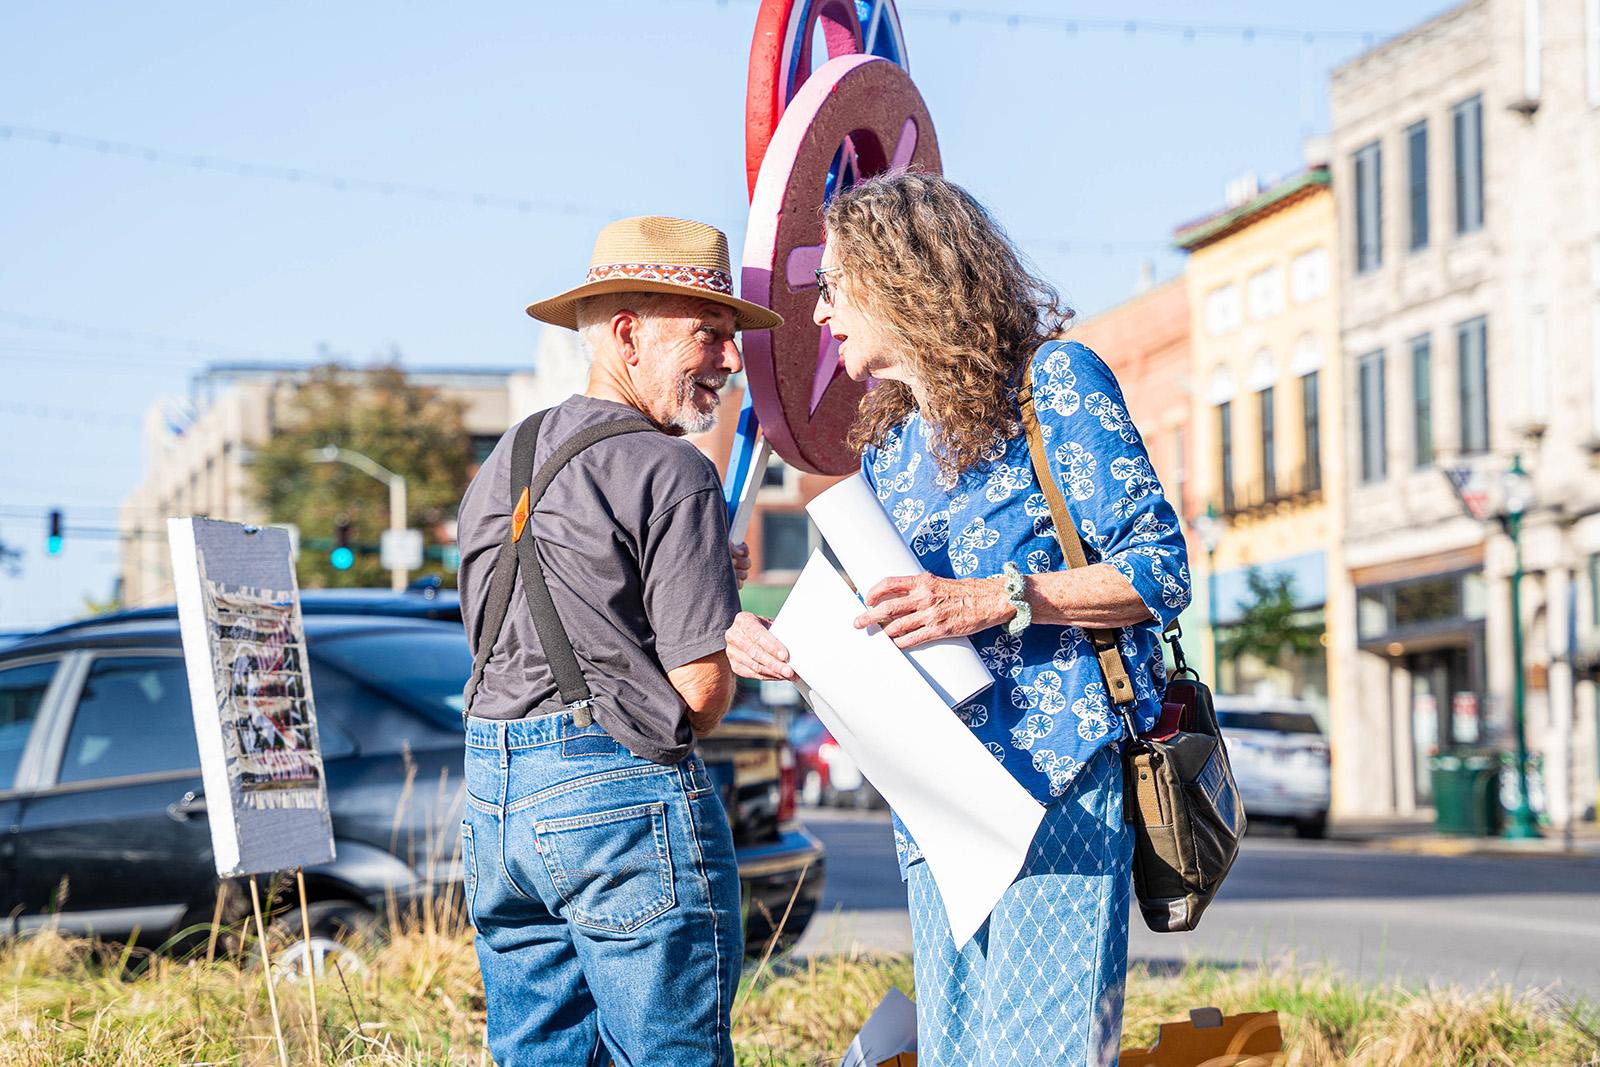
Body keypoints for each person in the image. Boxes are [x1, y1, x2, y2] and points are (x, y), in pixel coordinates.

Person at [725, 172, 1191, 1066]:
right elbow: (884, 608)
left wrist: (999, 598)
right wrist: (771, 639)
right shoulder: (894, 446)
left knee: (1042, 1054)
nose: (820, 315)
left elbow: (1160, 570)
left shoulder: (1053, 384)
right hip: (936, 804)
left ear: (901, 274)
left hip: (1053, 785)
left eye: (832, 287)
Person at [456, 215, 781, 1067]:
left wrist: (696, 572)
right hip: (618, 800)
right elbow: (701, 695)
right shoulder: (674, 471)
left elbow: (551, 603)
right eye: (710, 334)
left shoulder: (504, 460)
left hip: (495, 797)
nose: (731, 359)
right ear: (628, 335)